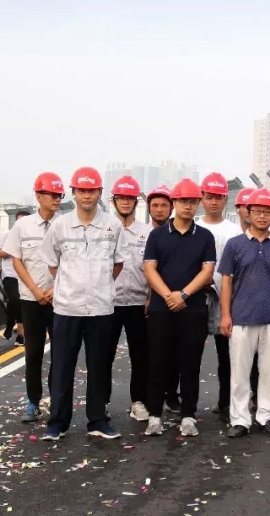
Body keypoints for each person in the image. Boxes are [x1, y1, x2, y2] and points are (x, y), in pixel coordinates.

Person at [40, 167, 125, 441]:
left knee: (99, 366)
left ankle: (98, 420)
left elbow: (118, 263)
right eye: (81, 190)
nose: (86, 195)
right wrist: (71, 285)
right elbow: (52, 263)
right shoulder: (60, 226)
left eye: (91, 191)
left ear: (100, 193)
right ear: (74, 193)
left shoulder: (113, 225)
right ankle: (58, 422)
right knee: (62, 366)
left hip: (101, 308)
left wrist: (100, 285)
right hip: (67, 307)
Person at [142, 179, 216, 437]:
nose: (188, 206)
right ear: (174, 202)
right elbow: (149, 268)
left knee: (190, 364)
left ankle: (188, 415)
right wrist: (168, 296)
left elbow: (208, 270)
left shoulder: (205, 236)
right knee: (158, 362)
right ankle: (154, 415)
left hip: (193, 309)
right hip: (161, 309)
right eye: (184, 201)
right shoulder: (157, 235)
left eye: (193, 202)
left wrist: (183, 294)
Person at [219, 188, 270, 438]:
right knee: (239, 374)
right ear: (248, 213)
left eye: (267, 212)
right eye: (257, 211)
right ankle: (240, 420)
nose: (262, 216)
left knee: (269, 373)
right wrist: (225, 315)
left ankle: (267, 417)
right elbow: (226, 281)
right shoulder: (234, 245)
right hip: (241, 317)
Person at [3, 172, 64, 423]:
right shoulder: (23, 226)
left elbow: (71, 261)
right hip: (31, 299)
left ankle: (57, 401)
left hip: (60, 299)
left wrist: (55, 289)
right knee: (33, 354)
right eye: (52, 194)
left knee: (60, 354)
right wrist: (36, 291)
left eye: (60, 195)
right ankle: (33, 402)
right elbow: (16, 260)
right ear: (38, 196)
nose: (57, 199)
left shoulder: (65, 224)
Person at [198, 172, 251, 419]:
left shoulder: (233, 231)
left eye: (218, 197)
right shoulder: (195, 227)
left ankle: (226, 402)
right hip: (196, 296)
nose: (213, 202)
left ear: (226, 200)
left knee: (227, 355)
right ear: (202, 198)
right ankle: (183, 404)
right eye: (209, 197)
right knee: (189, 353)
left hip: (225, 297)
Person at [105, 176, 152, 422]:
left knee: (140, 356)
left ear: (136, 201)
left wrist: (151, 297)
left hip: (138, 303)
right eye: (121, 198)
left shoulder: (147, 232)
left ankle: (138, 402)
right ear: (113, 201)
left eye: (130, 198)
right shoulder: (104, 229)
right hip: (108, 304)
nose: (125, 202)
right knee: (104, 356)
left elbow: (154, 267)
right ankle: (101, 402)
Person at [145, 184, 181, 412]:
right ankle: (148, 398)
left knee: (175, 352)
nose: (159, 210)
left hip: (171, 300)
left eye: (164, 205)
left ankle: (172, 394)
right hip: (140, 301)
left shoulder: (179, 233)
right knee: (150, 353)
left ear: (172, 207)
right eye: (155, 205)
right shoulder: (144, 233)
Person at [0, 211, 29, 344]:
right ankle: (16, 328)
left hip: (26, 276)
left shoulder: (32, 236)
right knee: (15, 299)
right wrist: (12, 250)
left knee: (20, 302)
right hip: (10, 274)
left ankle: (14, 329)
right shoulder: (7, 236)